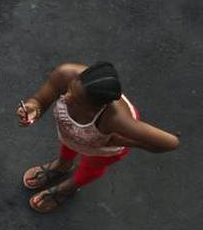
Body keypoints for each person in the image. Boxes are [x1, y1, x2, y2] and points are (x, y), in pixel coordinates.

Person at [16, 61, 180, 213]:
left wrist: (121, 141)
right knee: (68, 144)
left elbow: (171, 143)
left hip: (102, 147)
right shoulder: (65, 74)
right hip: (72, 134)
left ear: (97, 107)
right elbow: (40, 100)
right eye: (70, 90)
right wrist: (33, 109)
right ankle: (62, 165)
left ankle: (68, 188)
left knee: (91, 167)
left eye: (77, 100)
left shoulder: (117, 120)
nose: (66, 98)